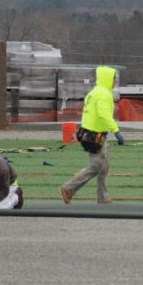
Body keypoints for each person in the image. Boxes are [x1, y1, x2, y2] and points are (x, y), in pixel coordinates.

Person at [60, 66, 120, 205]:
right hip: (95, 137)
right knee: (96, 167)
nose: (115, 81)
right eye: (113, 78)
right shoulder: (103, 94)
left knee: (104, 166)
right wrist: (116, 130)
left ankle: (103, 197)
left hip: (91, 134)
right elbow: (104, 114)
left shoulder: (95, 92)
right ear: (107, 79)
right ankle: (69, 188)